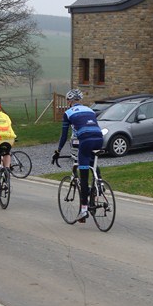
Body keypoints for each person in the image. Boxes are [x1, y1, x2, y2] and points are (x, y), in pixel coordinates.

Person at [52, 89, 103, 222]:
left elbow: (64, 136)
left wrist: (58, 151)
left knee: (84, 176)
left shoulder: (68, 113)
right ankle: (99, 184)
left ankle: (84, 210)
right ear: (80, 100)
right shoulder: (90, 110)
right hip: (99, 138)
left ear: (69, 101)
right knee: (92, 161)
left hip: (85, 140)